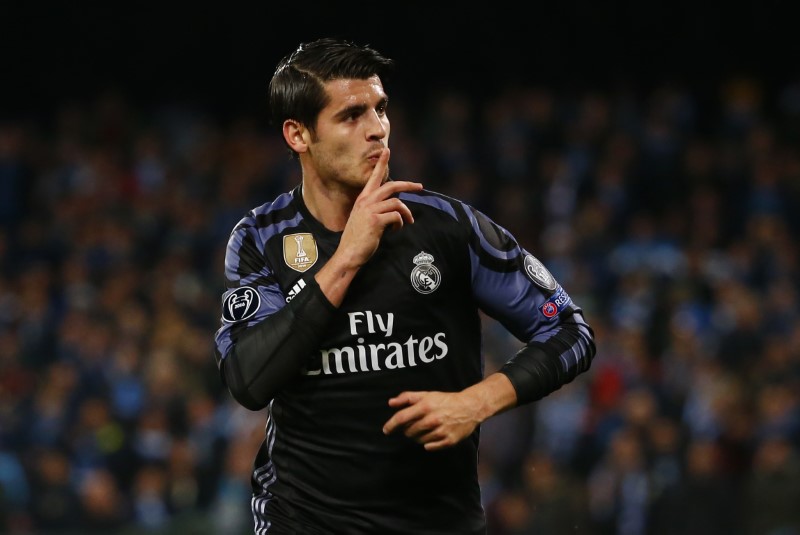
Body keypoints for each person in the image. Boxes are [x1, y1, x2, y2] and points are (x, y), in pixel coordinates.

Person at [213, 37, 596, 535]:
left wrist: (475, 402)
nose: (377, 130)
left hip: (438, 521)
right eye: (351, 115)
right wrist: (347, 257)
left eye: (381, 109)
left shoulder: (447, 228)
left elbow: (570, 331)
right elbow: (247, 379)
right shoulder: (262, 239)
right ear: (298, 135)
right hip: (305, 521)